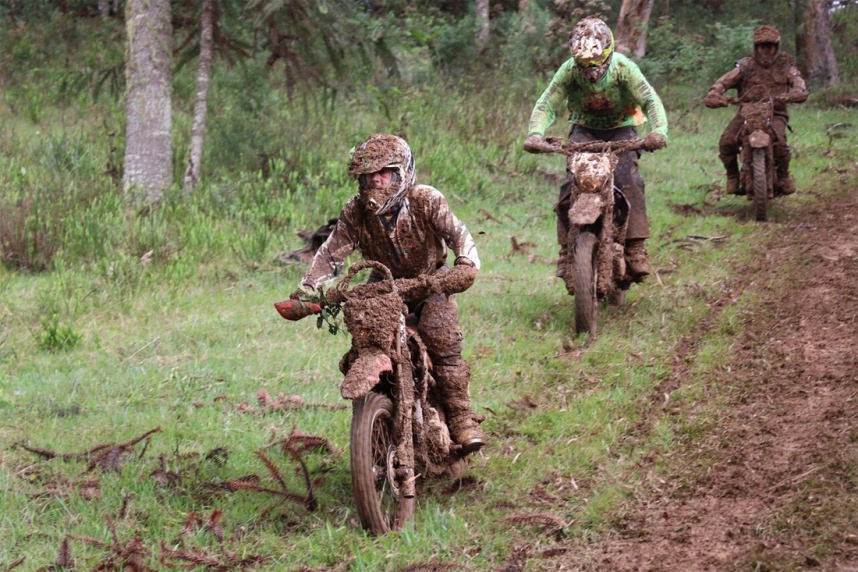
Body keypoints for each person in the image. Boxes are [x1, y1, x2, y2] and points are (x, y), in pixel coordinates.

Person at [297, 133, 485, 454]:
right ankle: (381, 412)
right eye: (368, 175)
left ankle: (461, 417)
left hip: (430, 281)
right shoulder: (355, 211)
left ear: (402, 172)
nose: (376, 180)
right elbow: (331, 253)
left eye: (384, 172)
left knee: (440, 337)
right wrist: (308, 290)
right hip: (382, 285)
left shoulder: (425, 199)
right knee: (365, 339)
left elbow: (459, 234)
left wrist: (465, 263)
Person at [523, 16, 668, 284]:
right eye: (584, 65)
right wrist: (535, 134)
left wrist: (658, 131)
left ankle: (635, 247)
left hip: (622, 129)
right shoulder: (568, 71)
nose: (590, 70)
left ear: (608, 53)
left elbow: (649, 99)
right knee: (570, 186)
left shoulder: (624, 68)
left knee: (629, 179)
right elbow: (547, 103)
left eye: (595, 63)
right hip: (584, 131)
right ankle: (567, 251)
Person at [704, 24, 808, 196]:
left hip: (776, 113)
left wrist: (797, 92)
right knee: (727, 141)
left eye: (770, 46)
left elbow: (798, 81)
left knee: (780, 143)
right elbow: (723, 81)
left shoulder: (785, 66)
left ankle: (783, 176)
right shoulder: (745, 66)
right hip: (747, 111)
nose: (766, 51)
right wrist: (715, 93)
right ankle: (732, 176)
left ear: (776, 47)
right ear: (756, 47)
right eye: (762, 46)